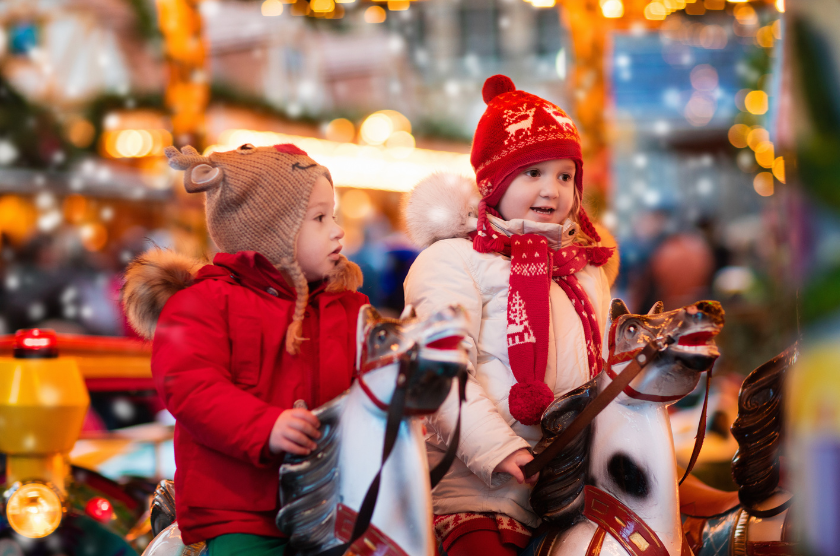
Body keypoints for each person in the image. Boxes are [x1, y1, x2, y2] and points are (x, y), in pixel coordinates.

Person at [403, 75, 619, 555]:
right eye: (533, 173)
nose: (553, 190)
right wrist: (499, 450)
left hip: (570, 482)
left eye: (565, 176)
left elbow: (601, 371)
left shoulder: (583, 273)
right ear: (493, 183)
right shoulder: (452, 260)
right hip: (478, 489)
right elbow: (437, 373)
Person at [121, 143, 366, 556]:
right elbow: (191, 386)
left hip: (333, 499)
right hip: (242, 509)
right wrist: (265, 427)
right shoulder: (205, 302)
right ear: (274, 231)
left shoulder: (348, 305)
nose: (337, 229)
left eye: (334, 216)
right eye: (319, 218)